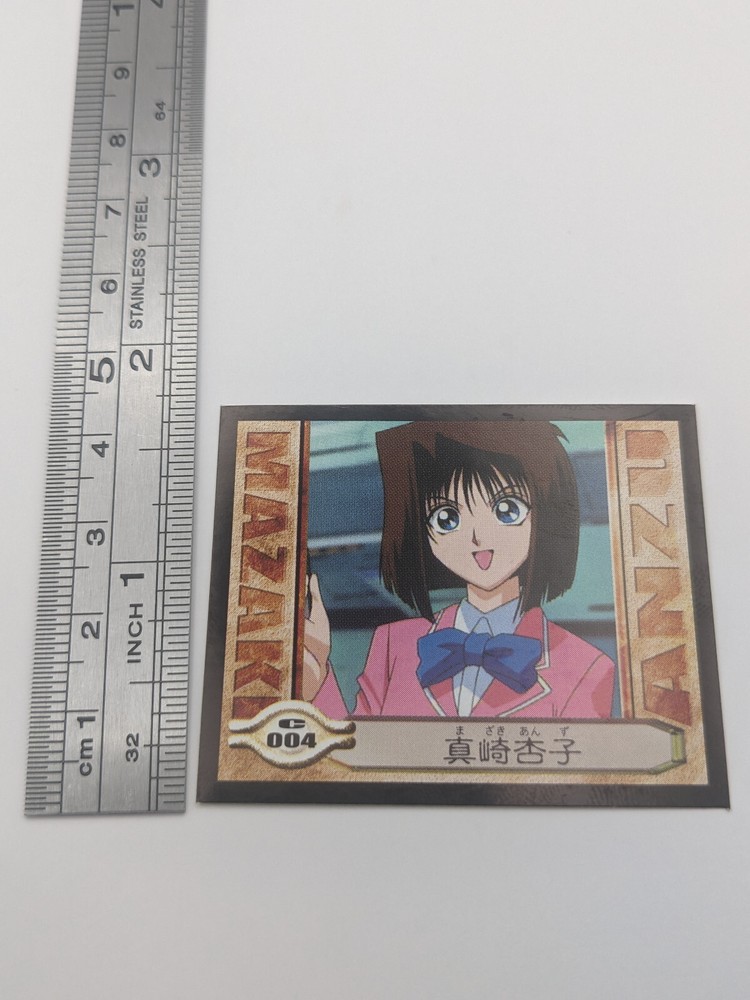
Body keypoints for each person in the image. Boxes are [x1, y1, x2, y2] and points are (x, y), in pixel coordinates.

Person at [303, 421, 614, 719]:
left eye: (507, 510)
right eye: (447, 517)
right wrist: (316, 687)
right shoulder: (392, 644)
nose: (477, 537)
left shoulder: (587, 666)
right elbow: (355, 748)